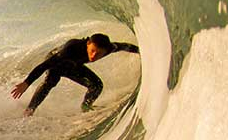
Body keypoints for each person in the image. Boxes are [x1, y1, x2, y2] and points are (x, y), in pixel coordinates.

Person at [11, 33, 139, 116]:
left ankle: (85, 108)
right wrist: (26, 83)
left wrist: (140, 51)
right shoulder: (71, 49)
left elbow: (124, 46)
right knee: (51, 81)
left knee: (96, 85)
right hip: (56, 60)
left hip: (73, 64)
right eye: (93, 51)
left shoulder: (110, 48)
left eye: (99, 53)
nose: (94, 56)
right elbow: (43, 66)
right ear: (88, 43)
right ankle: (29, 111)